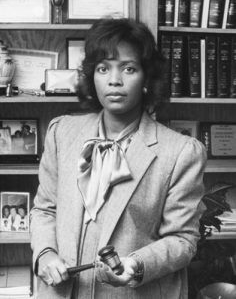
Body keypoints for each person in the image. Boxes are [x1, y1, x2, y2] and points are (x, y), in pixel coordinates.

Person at [30, 18, 207, 299]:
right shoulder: (61, 132)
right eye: (103, 68)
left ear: (147, 78)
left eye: (128, 68)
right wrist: (45, 253)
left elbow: (183, 240)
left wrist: (137, 265)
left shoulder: (181, 152)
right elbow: (44, 210)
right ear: (92, 76)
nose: (115, 80)